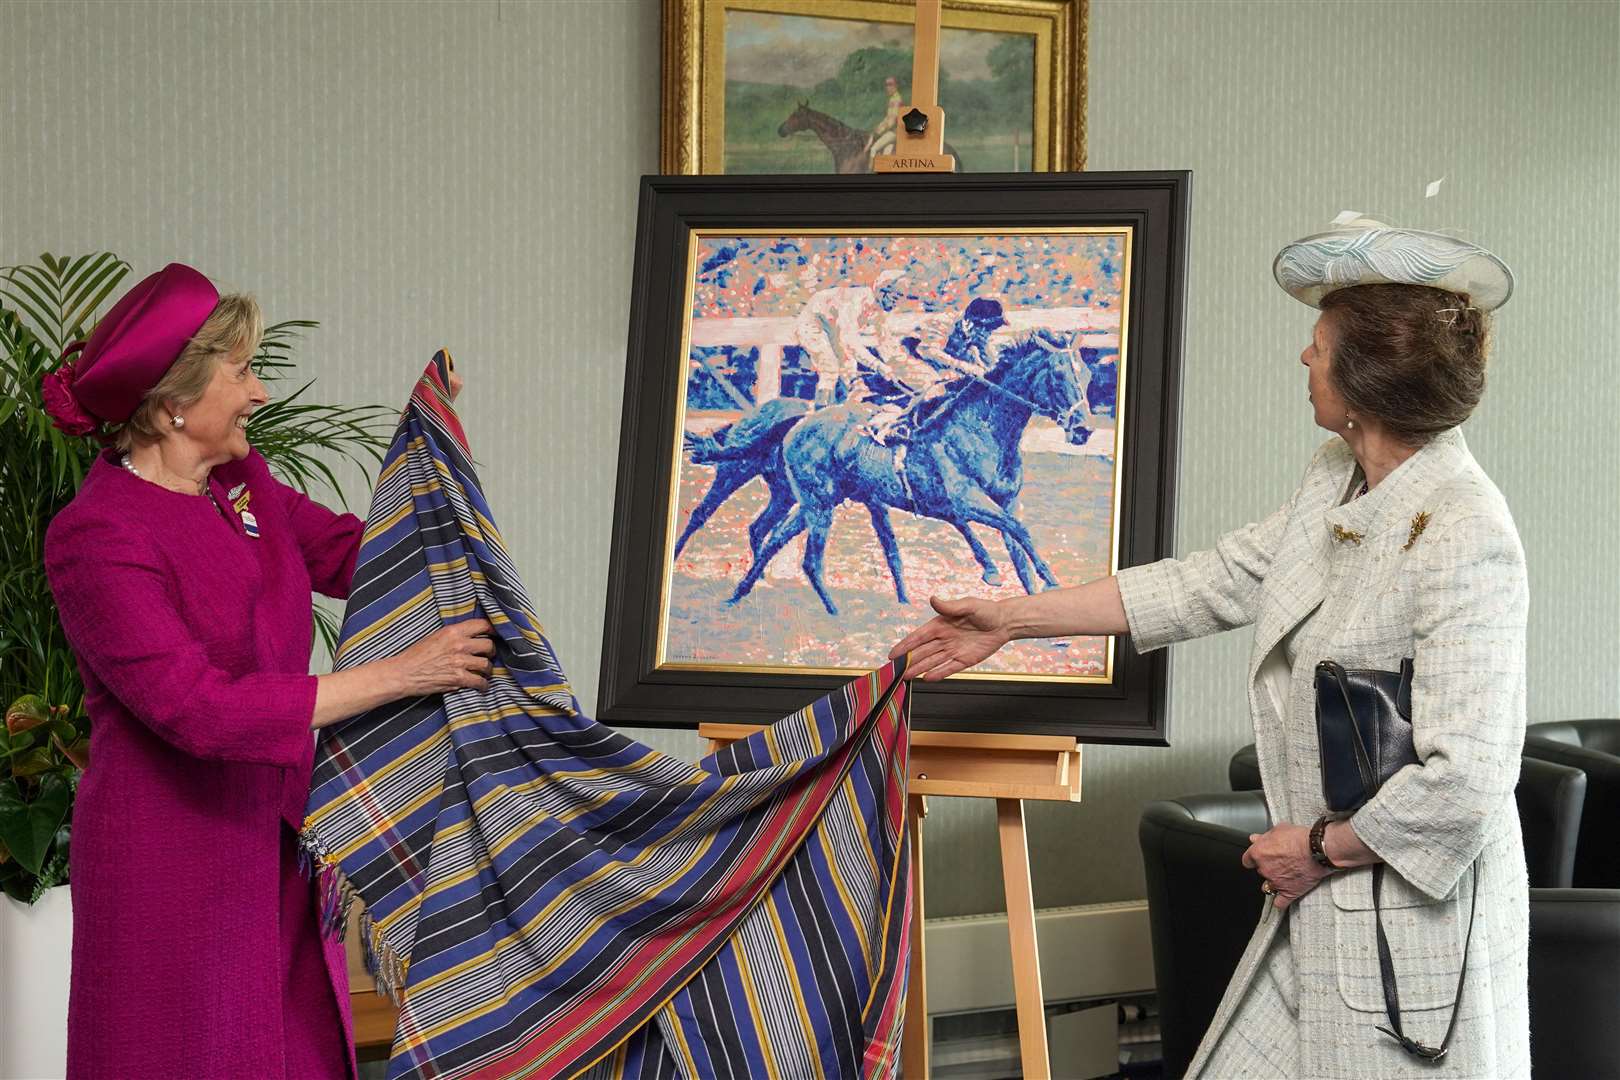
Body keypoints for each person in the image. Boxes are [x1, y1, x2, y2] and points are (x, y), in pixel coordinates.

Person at [891, 220, 1530, 1078]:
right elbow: (1210, 581)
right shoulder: (1333, 478)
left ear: (1367, 378)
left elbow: (1469, 782)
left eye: (1320, 345)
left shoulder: (1465, 529)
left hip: (1404, 940)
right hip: (1321, 907)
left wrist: (1312, 850)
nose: (1305, 359)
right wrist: (1009, 619)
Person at [41, 263, 496, 1079]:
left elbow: (366, 556)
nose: (258, 393)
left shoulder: (243, 487)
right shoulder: (97, 535)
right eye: (242, 372)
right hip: (172, 867)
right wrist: (406, 672)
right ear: (175, 401)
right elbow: (198, 709)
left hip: (279, 844)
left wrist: (430, 438)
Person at [865, 295, 1007, 445]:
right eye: (990, 328)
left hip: (938, 367)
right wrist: (963, 366)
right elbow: (927, 350)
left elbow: (988, 363)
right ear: (972, 322)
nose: (990, 333)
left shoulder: (977, 335)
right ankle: (899, 425)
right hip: (908, 358)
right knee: (934, 386)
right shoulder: (943, 322)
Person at [863, 75, 903, 168]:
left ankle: (869, 173)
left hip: (893, 132)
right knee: (885, 157)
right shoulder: (892, 99)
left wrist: (878, 132)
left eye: (890, 84)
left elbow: (892, 121)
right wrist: (878, 127)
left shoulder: (896, 100)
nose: (887, 87)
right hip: (891, 132)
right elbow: (887, 118)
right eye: (886, 85)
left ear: (895, 86)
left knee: (873, 149)